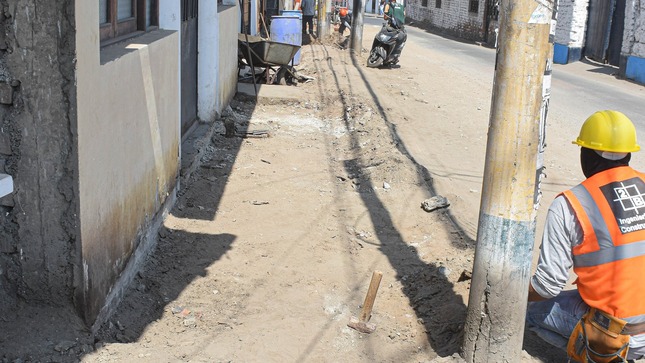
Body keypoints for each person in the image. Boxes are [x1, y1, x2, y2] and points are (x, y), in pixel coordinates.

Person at [526, 110, 645, 362]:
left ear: (586, 155)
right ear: (628, 153)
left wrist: (512, 294)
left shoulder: (572, 204)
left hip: (619, 335)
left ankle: (596, 355)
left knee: (530, 309)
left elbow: (546, 286)